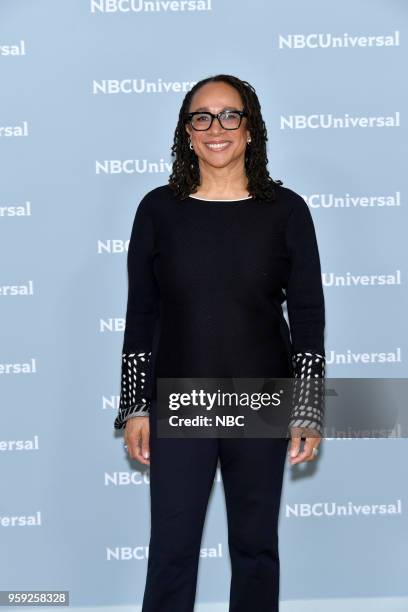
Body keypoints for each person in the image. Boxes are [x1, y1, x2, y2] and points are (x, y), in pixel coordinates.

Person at [114, 74, 326, 612]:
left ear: (251, 129)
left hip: (260, 399)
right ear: (186, 132)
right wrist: (136, 406)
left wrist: (307, 407)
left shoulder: (287, 211)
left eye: (230, 115)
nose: (216, 128)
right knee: (172, 550)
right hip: (181, 400)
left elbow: (307, 316)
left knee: (256, 548)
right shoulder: (159, 210)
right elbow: (141, 314)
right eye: (201, 117)